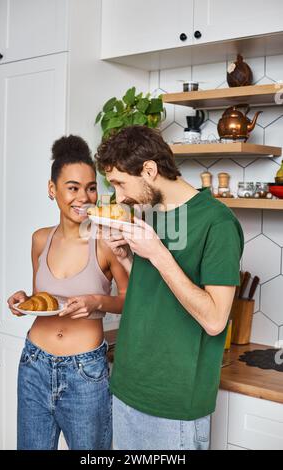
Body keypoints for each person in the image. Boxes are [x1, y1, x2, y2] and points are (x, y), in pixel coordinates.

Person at [96, 125, 244, 450]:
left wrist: (158, 253)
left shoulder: (218, 224)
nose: (119, 197)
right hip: (126, 388)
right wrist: (127, 258)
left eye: (120, 183)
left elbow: (215, 319)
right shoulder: (152, 215)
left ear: (149, 170)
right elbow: (156, 293)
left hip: (172, 404)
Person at [7, 135, 128, 450]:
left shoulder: (107, 241)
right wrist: (23, 300)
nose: (84, 197)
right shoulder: (39, 240)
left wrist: (97, 302)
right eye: (73, 187)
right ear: (53, 190)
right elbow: (42, 298)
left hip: (85, 373)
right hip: (34, 364)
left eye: (90, 188)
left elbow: (132, 302)